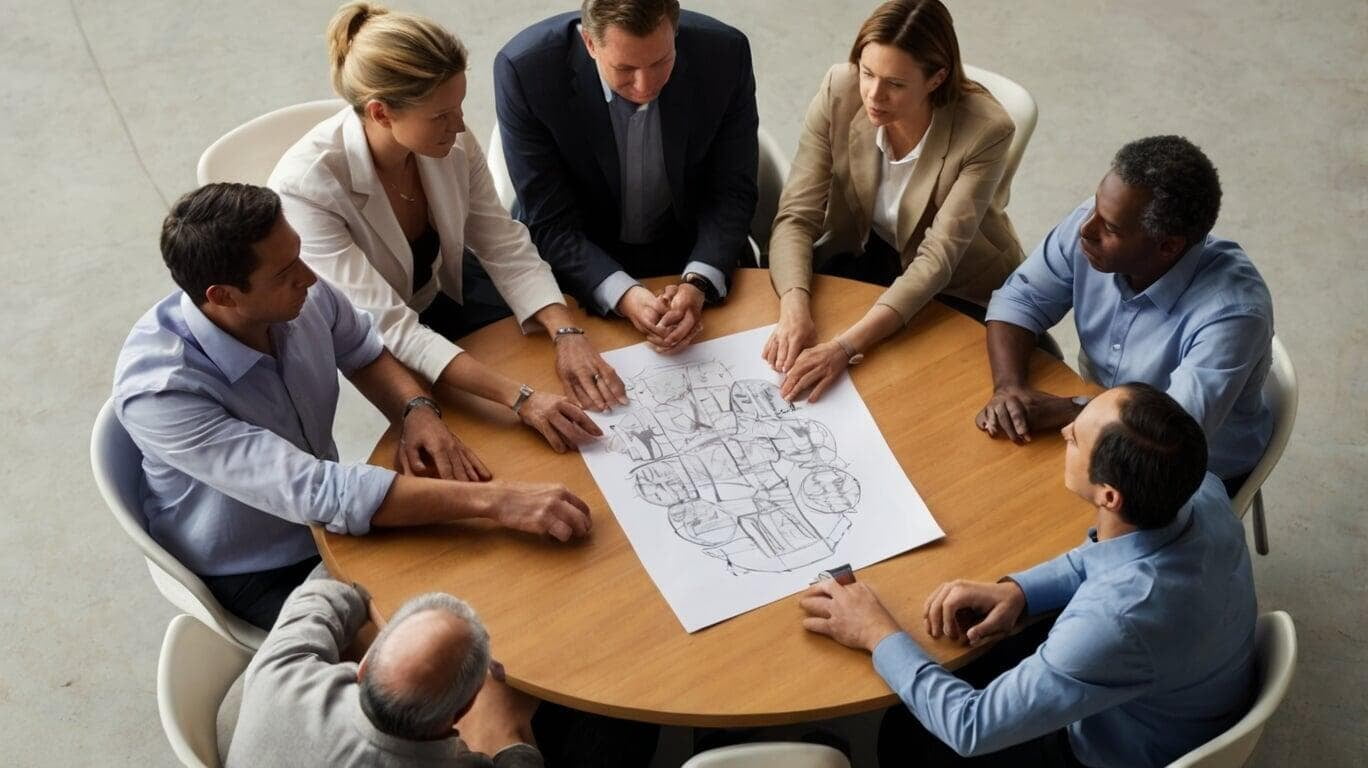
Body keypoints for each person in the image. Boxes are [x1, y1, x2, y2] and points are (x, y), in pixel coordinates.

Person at [114, 184, 593, 629]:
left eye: (298, 255)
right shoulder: (162, 393)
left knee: (519, 597)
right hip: (260, 567)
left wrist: (415, 409)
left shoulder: (297, 293)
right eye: (285, 273)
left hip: (338, 517)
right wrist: (500, 500)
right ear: (222, 296)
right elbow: (321, 493)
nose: (309, 278)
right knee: (450, 660)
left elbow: (361, 347)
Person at [800, 383, 1257, 767]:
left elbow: (969, 727)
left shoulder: (1114, 622)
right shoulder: (1203, 493)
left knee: (905, 735)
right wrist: (1019, 591)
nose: (1062, 431)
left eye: (1075, 439)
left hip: (1120, 749)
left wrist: (876, 633)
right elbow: (1108, 557)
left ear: (1109, 496)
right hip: (1190, 690)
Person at [271, 3, 626, 446]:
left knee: (563, 360)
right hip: (375, 335)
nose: (459, 125)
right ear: (381, 113)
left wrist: (565, 332)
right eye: (441, 116)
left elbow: (502, 243)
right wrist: (521, 399)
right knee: (494, 437)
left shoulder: (448, 137)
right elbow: (390, 325)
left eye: (457, 106)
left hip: (445, 286)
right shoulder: (306, 188)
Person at [975, 135, 1273, 492]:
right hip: (1093, 426)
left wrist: (1074, 410)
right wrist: (1009, 388)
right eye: (1095, 209)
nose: (1086, 229)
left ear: (1168, 246)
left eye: (1111, 228)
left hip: (1188, 473)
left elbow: (1170, 435)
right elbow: (1020, 299)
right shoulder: (1096, 224)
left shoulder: (1234, 315)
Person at [765, 0, 1023, 403]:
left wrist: (843, 348)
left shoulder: (987, 130)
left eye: (896, 84)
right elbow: (797, 216)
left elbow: (937, 259)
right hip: (871, 250)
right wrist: (794, 307)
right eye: (867, 73)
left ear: (937, 78)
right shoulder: (839, 88)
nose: (874, 95)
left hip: (959, 283)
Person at [494, 0, 758, 353]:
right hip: (579, 258)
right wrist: (623, 294)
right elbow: (550, 221)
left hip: (691, 246)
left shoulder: (725, 54)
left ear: (674, 32)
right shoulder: (525, 71)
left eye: (661, 61)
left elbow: (732, 191)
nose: (644, 85)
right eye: (625, 67)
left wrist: (698, 281)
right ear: (589, 43)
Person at [226, 578, 544, 767]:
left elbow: (318, 594)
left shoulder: (279, 673)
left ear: (363, 667)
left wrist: (370, 606)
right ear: (463, 709)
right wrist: (514, 744)